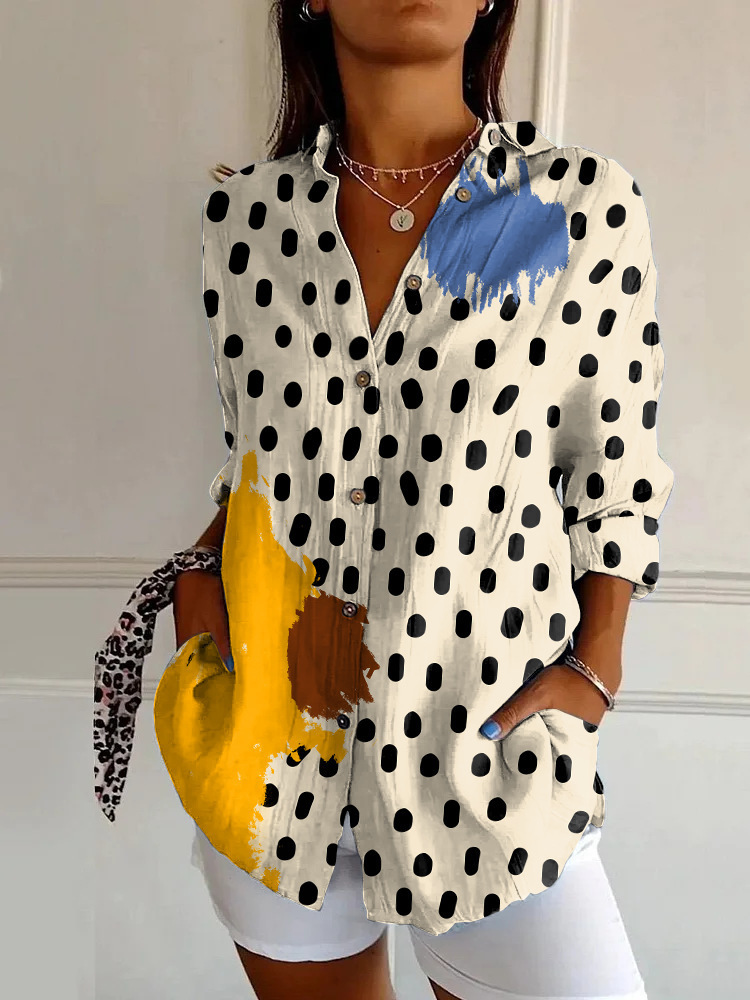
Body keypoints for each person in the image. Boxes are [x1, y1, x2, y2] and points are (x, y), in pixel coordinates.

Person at [167, 1, 674, 997]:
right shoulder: (245, 225)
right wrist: (198, 584)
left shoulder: (579, 207)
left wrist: (599, 662)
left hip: (489, 767)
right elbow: (254, 459)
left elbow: (614, 475)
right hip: (275, 764)